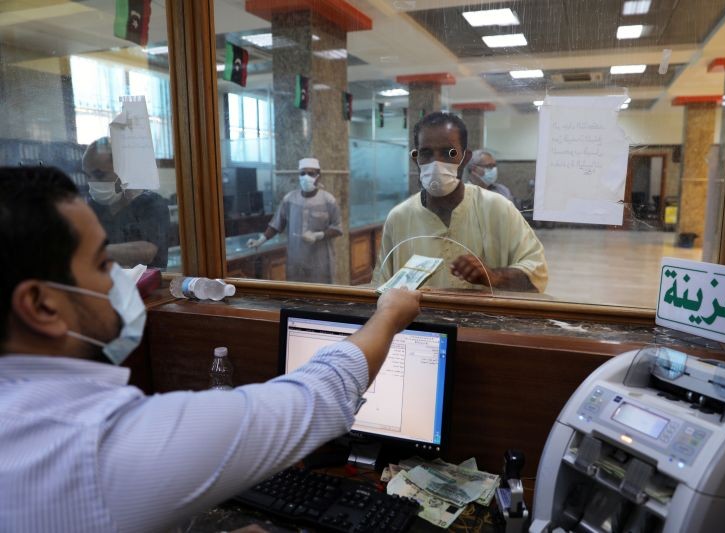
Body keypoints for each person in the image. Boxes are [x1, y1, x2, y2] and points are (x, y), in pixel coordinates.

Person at [0, 166, 421, 532]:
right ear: (41, 305)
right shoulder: (98, 445)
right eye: (100, 263)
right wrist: (389, 316)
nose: (120, 278)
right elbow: (318, 396)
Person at [373, 112, 548, 292]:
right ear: (416, 158)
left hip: (484, 319)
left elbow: (537, 273)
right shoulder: (399, 218)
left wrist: (493, 276)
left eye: (449, 153)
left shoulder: (498, 208)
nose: (436, 163)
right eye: (426, 153)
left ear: (465, 158)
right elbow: (382, 286)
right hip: (419, 320)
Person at [248, 157, 342, 283]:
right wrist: (261, 240)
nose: (306, 177)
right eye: (302, 173)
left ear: (318, 176)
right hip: (296, 260)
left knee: (321, 296)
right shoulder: (290, 199)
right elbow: (276, 224)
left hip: (320, 261)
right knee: (297, 295)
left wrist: (318, 235)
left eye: (311, 173)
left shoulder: (328, 200)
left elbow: (337, 228)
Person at [82, 137, 170, 269]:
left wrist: (93, 252)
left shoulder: (150, 203)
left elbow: (147, 251)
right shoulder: (94, 207)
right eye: (88, 176)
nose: (92, 182)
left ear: (123, 171)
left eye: (99, 175)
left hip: (146, 286)